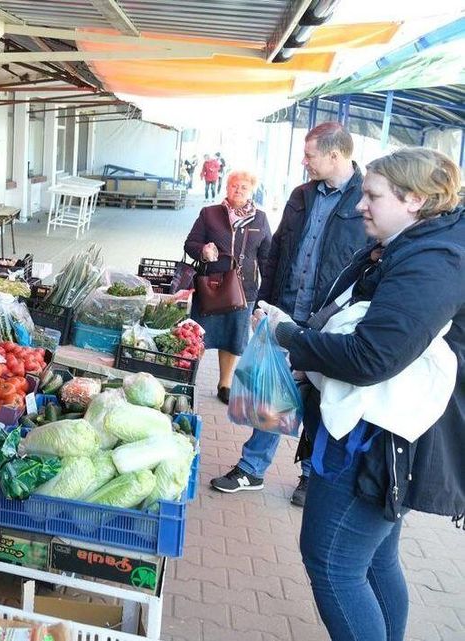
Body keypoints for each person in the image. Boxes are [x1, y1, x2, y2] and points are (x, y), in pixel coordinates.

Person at [254, 147, 465, 641]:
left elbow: (373, 357)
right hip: (388, 433)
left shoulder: (433, 260)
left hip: (380, 438)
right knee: (373, 558)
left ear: (414, 200)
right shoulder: (417, 245)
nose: (359, 206)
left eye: (373, 195)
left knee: (332, 564)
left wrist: (292, 340)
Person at [211, 122, 369, 506]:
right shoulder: (301, 195)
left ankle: (310, 477)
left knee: (319, 398)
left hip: (330, 320)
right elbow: (277, 249)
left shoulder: (364, 199)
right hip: (286, 309)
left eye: (310, 155)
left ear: (335, 155)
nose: (304, 161)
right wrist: (262, 303)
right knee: (271, 389)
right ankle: (252, 468)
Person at [184, 170, 272, 403]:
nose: (238, 190)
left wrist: (266, 293)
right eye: (234, 185)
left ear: (252, 191)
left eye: (244, 187)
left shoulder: (260, 219)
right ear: (227, 187)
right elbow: (190, 243)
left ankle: (225, 384)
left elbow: (266, 257)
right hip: (211, 286)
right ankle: (188, 378)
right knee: (199, 336)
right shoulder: (210, 213)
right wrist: (202, 250)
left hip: (244, 290)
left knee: (233, 338)